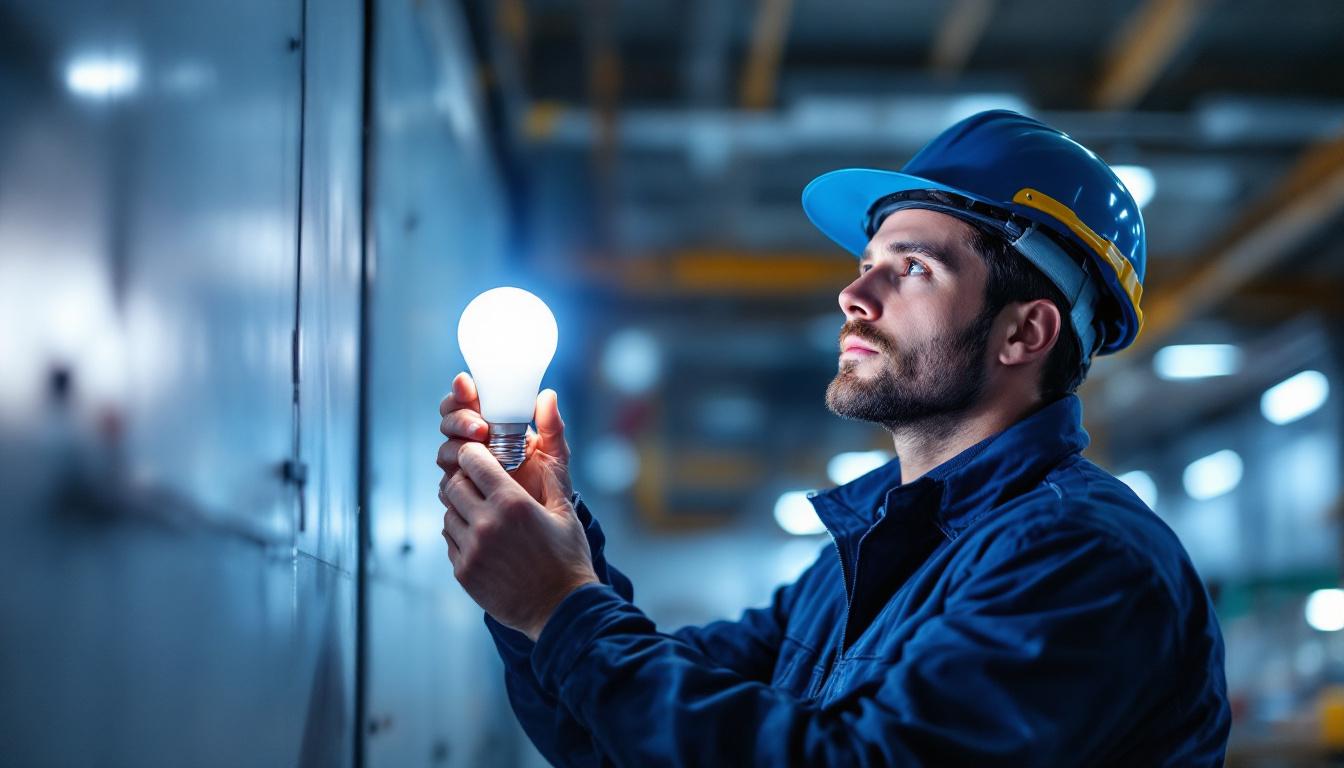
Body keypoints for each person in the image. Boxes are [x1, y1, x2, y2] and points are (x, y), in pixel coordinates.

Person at [436, 110, 1231, 766]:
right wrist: (545, 568)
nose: (855, 293)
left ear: (1025, 332)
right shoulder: (865, 557)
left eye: (913, 268)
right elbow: (620, 738)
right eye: (866, 262)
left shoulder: (1088, 560)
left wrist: (565, 606)